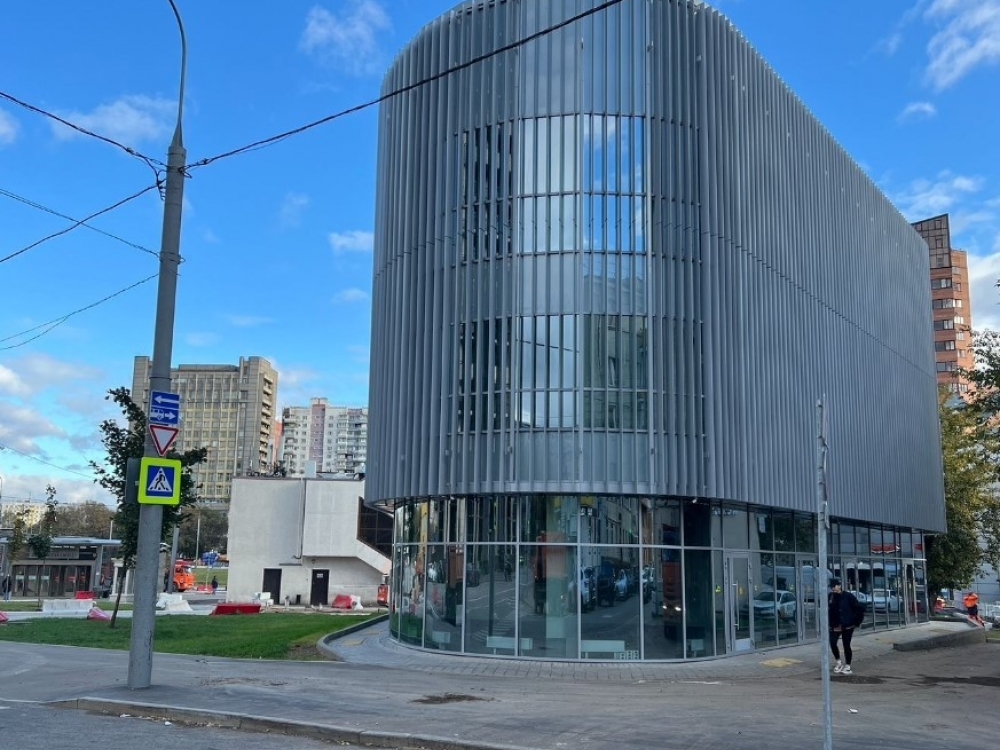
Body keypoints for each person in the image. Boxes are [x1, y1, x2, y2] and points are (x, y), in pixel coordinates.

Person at [828, 578, 865, 675]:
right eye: (831, 587)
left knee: (846, 645)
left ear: (839, 586)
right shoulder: (831, 596)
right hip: (835, 624)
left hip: (847, 625)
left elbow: (859, 608)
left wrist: (854, 621)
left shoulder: (848, 596)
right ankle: (838, 662)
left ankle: (848, 665)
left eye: (834, 586)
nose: (833, 588)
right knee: (832, 642)